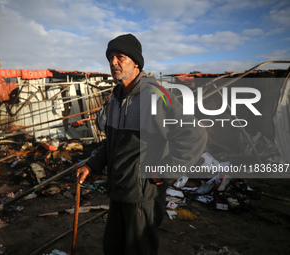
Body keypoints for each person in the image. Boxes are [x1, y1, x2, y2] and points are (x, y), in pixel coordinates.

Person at [77, 33, 207, 255]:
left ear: (136, 62)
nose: (113, 62)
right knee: (113, 246)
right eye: (110, 57)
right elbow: (113, 143)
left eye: (120, 56)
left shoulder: (157, 96)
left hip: (143, 195)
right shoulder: (116, 97)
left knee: (139, 249)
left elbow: (194, 136)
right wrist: (92, 165)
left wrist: (164, 172)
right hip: (119, 189)